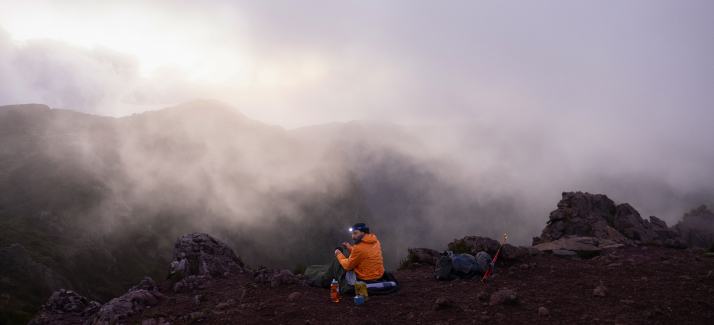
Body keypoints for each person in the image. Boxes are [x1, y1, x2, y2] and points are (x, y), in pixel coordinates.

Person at [305, 222, 385, 290]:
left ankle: (316, 277)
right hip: (378, 274)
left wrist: (339, 254)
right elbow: (364, 253)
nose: (353, 236)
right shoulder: (375, 241)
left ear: (363, 233)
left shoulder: (359, 247)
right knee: (347, 257)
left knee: (338, 262)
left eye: (355, 233)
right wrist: (350, 248)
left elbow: (348, 266)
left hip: (366, 277)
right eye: (352, 234)